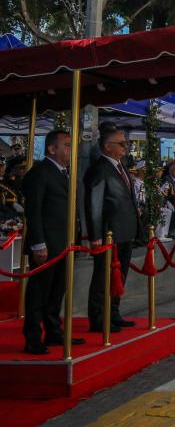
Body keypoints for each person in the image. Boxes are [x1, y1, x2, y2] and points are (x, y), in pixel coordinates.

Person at [20, 129, 84, 354]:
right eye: (66, 145)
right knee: (39, 292)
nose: (70, 149)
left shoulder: (63, 172)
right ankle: (33, 337)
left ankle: (54, 330)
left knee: (58, 290)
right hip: (47, 243)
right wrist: (38, 243)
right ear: (51, 148)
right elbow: (34, 211)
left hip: (64, 243)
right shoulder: (41, 172)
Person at [83, 127, 142, 332]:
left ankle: (113, 312)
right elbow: (94, 204)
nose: (126, 147)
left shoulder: (121, 166)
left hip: (125, 230)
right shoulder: (99, 169)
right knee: (102, 277)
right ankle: (98, 317)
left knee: (120, 276)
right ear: (108, 147)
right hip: (109, 233)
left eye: (126, 143)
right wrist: (95, 235)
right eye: (122, 143)